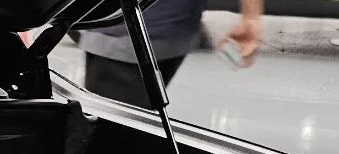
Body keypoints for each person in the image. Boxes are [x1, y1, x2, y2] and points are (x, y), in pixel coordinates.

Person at [79, 0, 265, 107]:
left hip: (137, 31)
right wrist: (251, 17)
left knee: (114, 139)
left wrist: (250, 17)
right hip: (131, 31)